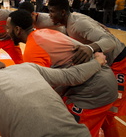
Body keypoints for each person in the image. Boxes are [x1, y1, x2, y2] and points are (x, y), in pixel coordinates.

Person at [7, 9, 117, 137]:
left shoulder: (32, 52)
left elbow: (64, 79)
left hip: (93, 89)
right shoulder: (46, 32)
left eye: (8, 28)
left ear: (17, 30)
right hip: (105, 81)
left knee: (68, 132)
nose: (6, 31)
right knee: (107, 123)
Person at [48, 0, 126, 118]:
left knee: (111, 111)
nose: (49, 15)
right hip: (108, 62)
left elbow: (110, 41)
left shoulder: (78, 24)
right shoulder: (71, 20)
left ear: (62, 12)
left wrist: (90, 48)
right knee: (106, 111)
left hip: (121, 61)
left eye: (51, 11)